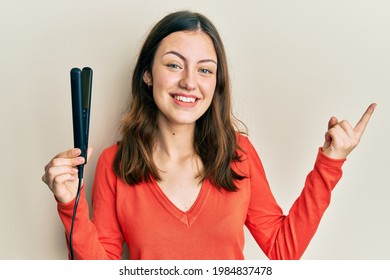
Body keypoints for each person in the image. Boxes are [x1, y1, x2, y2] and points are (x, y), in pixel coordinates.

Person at [42, 10, 376, 260]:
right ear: (147, 74)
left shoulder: (239, 154)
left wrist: (330, 164)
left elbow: (282, 250)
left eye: (204, 69)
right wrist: (69, 205)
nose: (190, 81)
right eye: (174, 65)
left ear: (215, 84)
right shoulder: (115, 163)